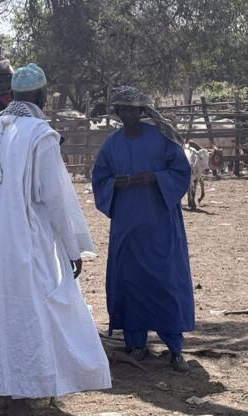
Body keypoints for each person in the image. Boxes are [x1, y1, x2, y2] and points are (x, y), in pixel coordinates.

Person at [0, 63, 110, 404]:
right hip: (21, 238)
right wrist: (72, 248)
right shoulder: (40, 134)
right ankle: (29, 389)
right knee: (27, 308)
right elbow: (57, 199)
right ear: (41, 96)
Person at [91, 86, 195, 372]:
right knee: (131, 280)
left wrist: (154, 177)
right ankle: (136, 344)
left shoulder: (161, 139)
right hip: (127, 226)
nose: (127, 114)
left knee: (165, 280)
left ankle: (174, 348)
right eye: (122, 110)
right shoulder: (111, 145)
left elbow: (181, 171)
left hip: (160, 225)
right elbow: (99, 178)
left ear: (142, 111)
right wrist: (116, 183)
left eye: (132, 109)